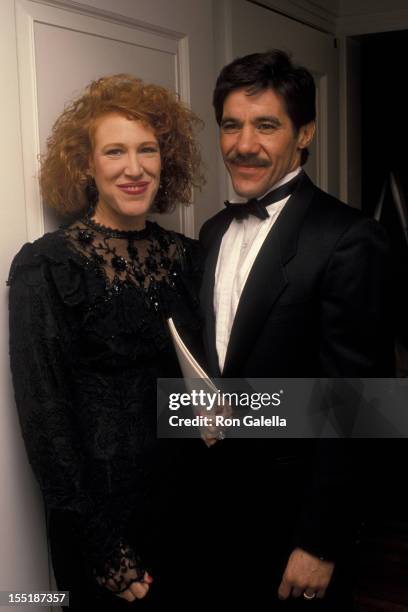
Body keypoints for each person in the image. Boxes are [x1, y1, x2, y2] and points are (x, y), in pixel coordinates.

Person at [199, 50, 395, 609]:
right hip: (216, 513)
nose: (243, 144)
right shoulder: (213, 232)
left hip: (297, 521)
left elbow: (361, 404)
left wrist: (319, 540)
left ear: (304, 132)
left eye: (266, 125)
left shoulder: (349, 237)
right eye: (231, 125)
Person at [8, 74, 205, 609]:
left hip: (191, 506)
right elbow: (45, 417)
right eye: (115, 151)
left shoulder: (190, 258)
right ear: (87, 165)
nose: (134, 168)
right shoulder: (47, 266)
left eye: (148, 150)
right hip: (102, 522)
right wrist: (103, 548)